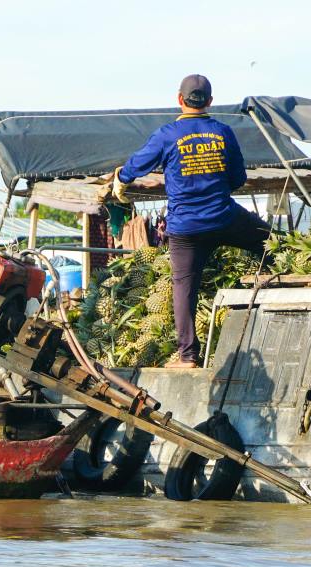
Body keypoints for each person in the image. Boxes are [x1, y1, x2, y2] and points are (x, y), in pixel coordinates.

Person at [113, 74, 270, 368]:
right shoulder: (223, 132)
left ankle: (187, 356)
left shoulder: (167, 135)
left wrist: (120, 179)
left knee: (184, 289)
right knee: (271, 240)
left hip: (186, 229)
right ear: (210, 101)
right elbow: (238, 178)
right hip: (225, 217)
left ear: (179, 99)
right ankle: (287, 287)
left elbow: (136, 165)